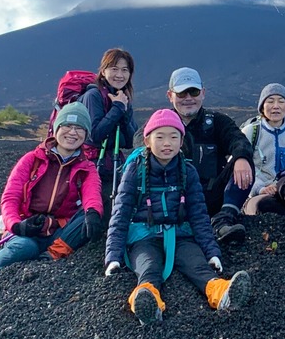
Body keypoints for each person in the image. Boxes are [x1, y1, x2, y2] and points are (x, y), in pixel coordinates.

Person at [103, 108, 252, 323]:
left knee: (198, 266)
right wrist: (113, 257)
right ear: (147, 141)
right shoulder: (135, 171)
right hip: (143, 238)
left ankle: (222, 293)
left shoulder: (187, 171)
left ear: (181, 141)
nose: (167, 143)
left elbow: (199, 215)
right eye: (160, 136)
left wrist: (212, 252)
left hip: (181, 235)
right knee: (149, 268)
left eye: (174, 137)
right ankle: (146, 303)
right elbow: (121, 213)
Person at [0, 102, 104, 282]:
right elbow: (10, 197)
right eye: (67, 126)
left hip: (60, 230)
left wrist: (93, 213)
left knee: (88, 215)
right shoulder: (32, 160)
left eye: (79, 128)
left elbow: (93, 196)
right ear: (56, 128)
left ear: (86, 134)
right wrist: (16, 225)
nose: (72, 132)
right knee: (23, 248)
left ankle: (50, 255)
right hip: (27, 226)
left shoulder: (87, 168)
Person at [166, 67, 255, 245]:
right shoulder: (160, 124)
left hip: (212, 197)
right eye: (182, 93)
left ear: (203, 93)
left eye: (194, 91)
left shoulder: (217, 121)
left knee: (245, 163)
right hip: (175, 198)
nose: (188, 98)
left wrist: (241, 157)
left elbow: (239, 141)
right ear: (170, 95)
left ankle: (224, 219)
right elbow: (140, 141)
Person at [238, 83, 285, 224]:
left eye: (281, 101)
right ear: (262, 106)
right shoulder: (251, 132)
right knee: (263, 206)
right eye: (270, 101)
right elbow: (237, 168)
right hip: (257, 194)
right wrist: (260, 188)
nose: (276, 106)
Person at [79, 48, 139, 222]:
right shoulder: (93, 96)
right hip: (91, 166)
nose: (119, 74)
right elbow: (94, 135)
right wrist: (118, 109)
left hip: (113, 165)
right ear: (103, 71)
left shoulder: (121, 97)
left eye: (125, 70)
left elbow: (130, 141)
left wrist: (124, 112)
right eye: (114, 68)